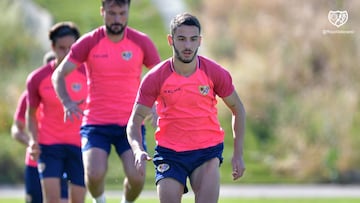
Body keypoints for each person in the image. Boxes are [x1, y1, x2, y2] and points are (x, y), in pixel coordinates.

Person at [126, 13, 246, 203]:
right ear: (170, 40)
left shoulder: (215, 73)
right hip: (169, 153)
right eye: (181, 39)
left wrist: (238, 154)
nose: (188, 46)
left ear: (200, 41)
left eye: (192, 39)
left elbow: (238, 109)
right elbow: (134, 121)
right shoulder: (155, 77)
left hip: (207, 152)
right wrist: (137, 150)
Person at [51, 1, 161, 203]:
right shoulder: (89, 42)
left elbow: (161, 76)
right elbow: (58, 75)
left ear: (128, 12)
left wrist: (157, 106)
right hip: (96, 123)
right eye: (112, 13)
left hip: (131, 124)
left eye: (122, 13)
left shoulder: (141, 42)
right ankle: (99, 200)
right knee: (94, 173)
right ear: (102, 11)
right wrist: (66, 101)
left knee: (137, 177)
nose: (117, 19)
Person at [26, 21, 87, 203]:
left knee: (77, 200)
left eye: (72, 48)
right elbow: (31, 114)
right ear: (52, 47)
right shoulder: (37, 78)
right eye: (62, 48)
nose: (68, 53)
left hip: (80, 145)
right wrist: (33, 141)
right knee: (51, 200)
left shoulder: (88, 73)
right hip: (49, 145)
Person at [10, 51, 68, 203]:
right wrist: (30, 142)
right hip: (35, 161)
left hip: (64, 157)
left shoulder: (72, 93)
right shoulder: (29, 96)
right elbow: (16, 128)